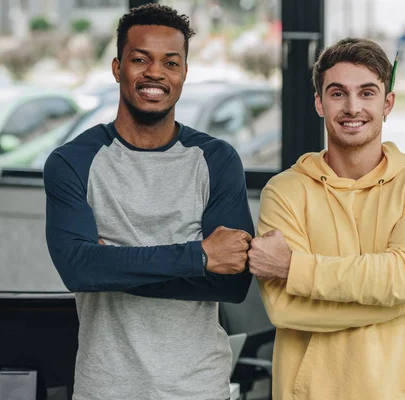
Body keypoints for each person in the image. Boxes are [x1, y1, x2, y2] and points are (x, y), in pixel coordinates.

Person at [43, 4, 253, 400]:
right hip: (105, 388)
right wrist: (201, 256)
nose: (155, 72)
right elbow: (78, 270)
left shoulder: (217, 160)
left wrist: (114, 267)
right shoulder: (72, 161)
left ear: (184, 73)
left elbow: (234, 282)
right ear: (117, 67)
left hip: (198, 388)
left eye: (170, 62)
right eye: (141, 59)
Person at [248, 38, 405, 399]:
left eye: (367, 93)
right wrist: (403, 303)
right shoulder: (285, 192)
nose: (353, 107)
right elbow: (285, 309)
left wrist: (292, 267)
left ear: (387, 103)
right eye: (338, 93)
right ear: (319, 103)